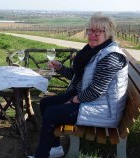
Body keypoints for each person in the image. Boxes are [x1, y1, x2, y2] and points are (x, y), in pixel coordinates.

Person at [28, 12, 129, 158]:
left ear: (108, 34)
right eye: (90, 30)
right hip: (92, 100)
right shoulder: (93, 51)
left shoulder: (110, 57)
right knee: (45, 103)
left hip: (104, 110)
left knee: (51, 113)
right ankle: (56, 148)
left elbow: (95, 91)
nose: (92, 35)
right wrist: (60, 68)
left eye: (97, 31)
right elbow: (82, 78)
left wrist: (73, 100)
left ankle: (41, 155)